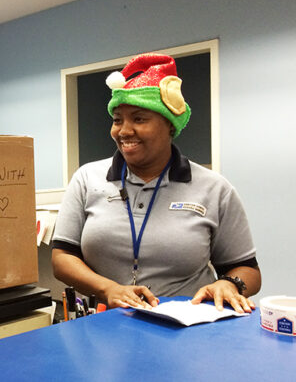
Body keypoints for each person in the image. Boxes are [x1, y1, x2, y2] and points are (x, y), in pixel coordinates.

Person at [51, 53, 261, 313]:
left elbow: (248, 269)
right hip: (107, 324)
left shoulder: (214, 188)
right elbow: (62, 258)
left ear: (170, 126)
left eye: (139, 119)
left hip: (186, 327)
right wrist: (109, 289)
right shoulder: (86, 178)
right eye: (118, 120)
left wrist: (230, 284)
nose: (124, 131)